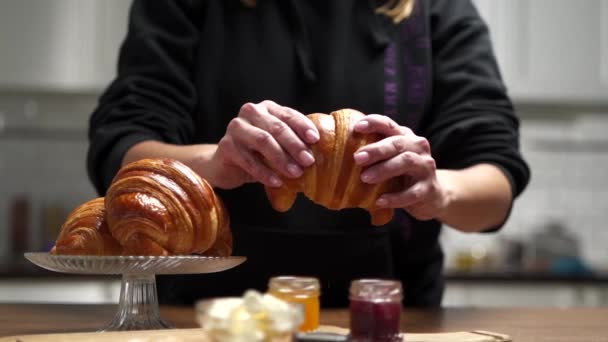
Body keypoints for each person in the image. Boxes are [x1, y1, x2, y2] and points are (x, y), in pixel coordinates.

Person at [87, 0, 530, 307]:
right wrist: (213, 163)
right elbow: (121, 149)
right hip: (206, 319)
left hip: (388, 318)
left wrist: (438, 192)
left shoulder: (434, 9)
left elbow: (496, 182)